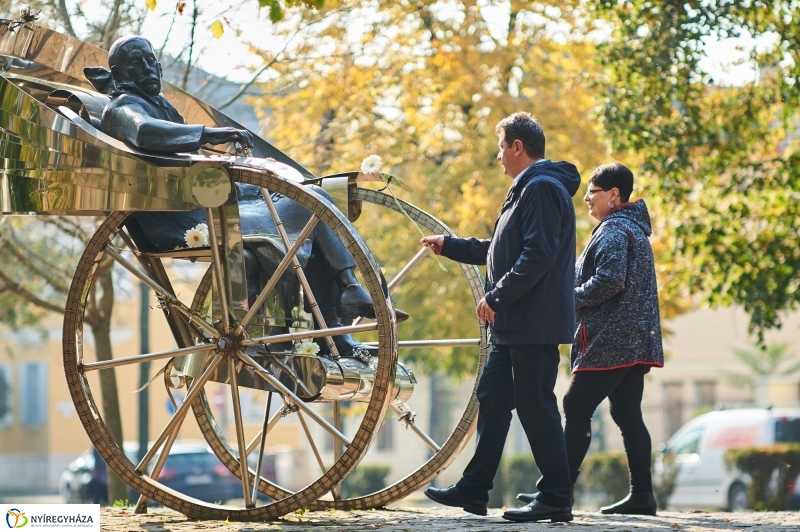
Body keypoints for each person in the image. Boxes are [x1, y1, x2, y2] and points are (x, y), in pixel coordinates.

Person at [85, 36, 383, 357]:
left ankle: (339, 315)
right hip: (186, 216)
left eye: (149, 60)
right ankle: (343, 300)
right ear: (117, 74)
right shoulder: (123, 108)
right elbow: (144, 132)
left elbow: (190, 160)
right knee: (307, 205)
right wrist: (210, 133)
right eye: (136, 63)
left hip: (209, 202)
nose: (148, 68)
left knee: (310, 202)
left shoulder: (160, 105)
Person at [421, 112, 581, 523]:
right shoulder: (527, 188)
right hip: (516, 325)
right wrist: (451, 246)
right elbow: (501, 249)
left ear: (517, 147)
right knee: (493, 398)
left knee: (535, 407)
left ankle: (557, 498)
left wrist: (497, 296)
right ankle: (475, 489)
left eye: (500, 147)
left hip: (532, 322)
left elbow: (538, 254)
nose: (497, 157)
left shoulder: (541, 188)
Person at [516, 163, 664, 515]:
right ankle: (642, 496)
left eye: (593, 191)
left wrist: (569, 296)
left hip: (611, 341)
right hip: (633, 341)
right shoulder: (631, 229)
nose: (586, 198)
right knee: (628, 415)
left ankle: (556, 493)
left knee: (576, 407)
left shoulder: (614, 229)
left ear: (614, 195)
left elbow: (610, 280)